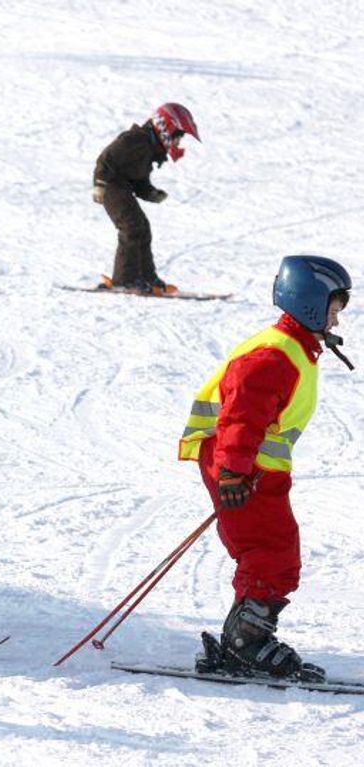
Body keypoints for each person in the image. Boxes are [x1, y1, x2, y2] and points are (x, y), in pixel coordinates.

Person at [179, 255, 352, 681]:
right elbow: (240, 417)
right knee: (272, 552)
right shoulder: (275, 356)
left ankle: (241, 639)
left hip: (253, 468)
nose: (336, 318)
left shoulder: (294, 349)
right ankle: (247, 644)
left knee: (267, 550)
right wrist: (233, 472)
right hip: (241, 468)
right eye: (332, 307)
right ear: (309, 302)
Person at [92, 102, 199, 293]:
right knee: (131, 227)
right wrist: (99, 184)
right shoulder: (135, 140)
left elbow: (138, 180)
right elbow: (106, 159)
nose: (178, 143)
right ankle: (124, 280)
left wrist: (149, 192)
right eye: (178, 137)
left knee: (142, 228)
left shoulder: (150, 147)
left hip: (122, 187)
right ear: (166, 128)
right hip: (111, 185)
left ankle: (146, 277)